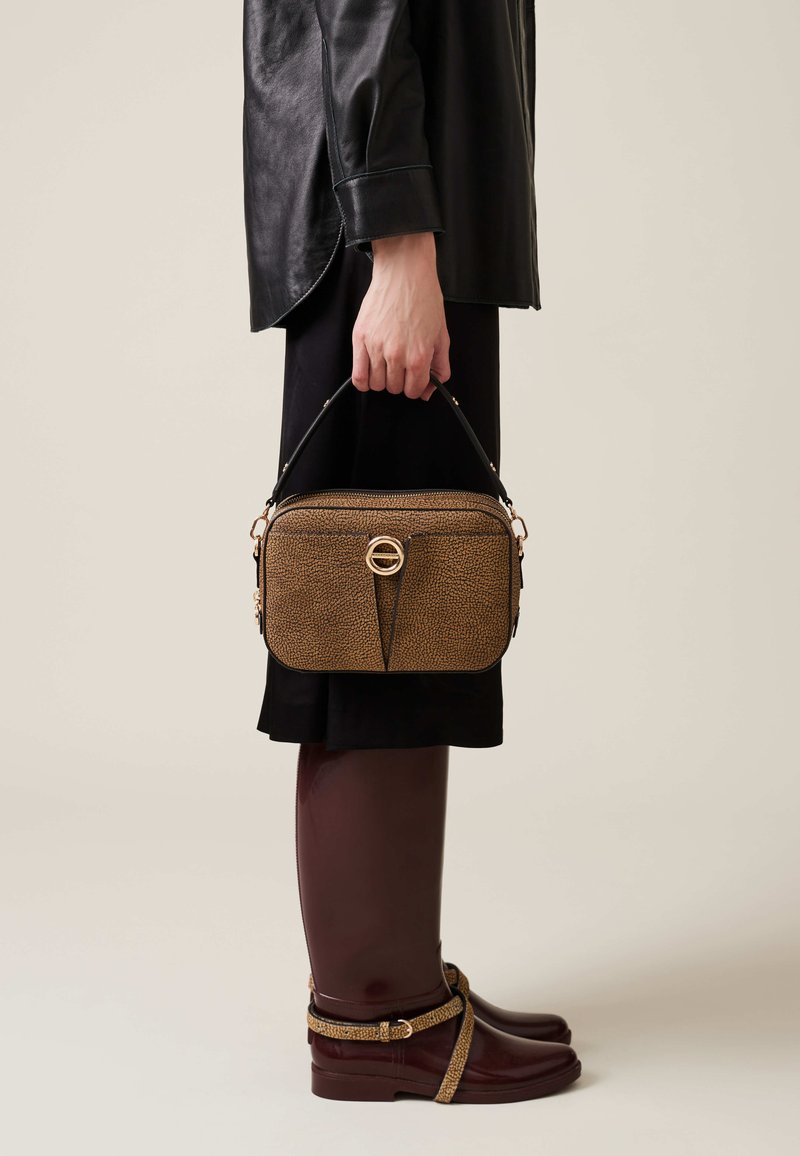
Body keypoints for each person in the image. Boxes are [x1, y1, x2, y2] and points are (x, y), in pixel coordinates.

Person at [242, 1, 582, 1103]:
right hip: (381, 230)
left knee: (412, 617)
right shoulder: (391, 238)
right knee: (367, 628)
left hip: (400, 211)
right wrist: (393, 235)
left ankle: (399, 977)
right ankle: (372, 1014)